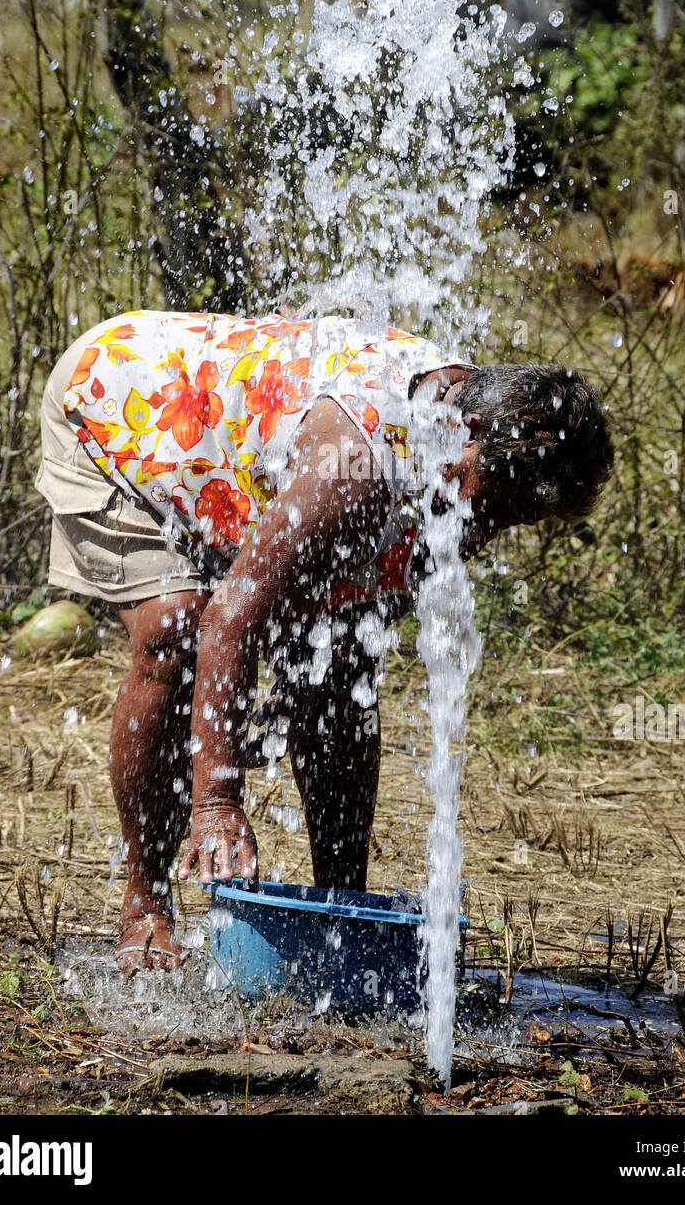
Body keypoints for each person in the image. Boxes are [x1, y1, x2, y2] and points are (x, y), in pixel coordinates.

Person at [35, 309, 614, 970]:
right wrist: (217, 801)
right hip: (125, 405)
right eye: (491, 508)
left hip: (240, 458)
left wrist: (300, 672)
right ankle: (145, 906)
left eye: (516, 522)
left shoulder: (478, 461)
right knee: (175, 635)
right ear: (465, 432)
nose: (485, 531)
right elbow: (230, 618)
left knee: (341, 672)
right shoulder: (358, 466)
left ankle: (339, 910)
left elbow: (382, 596)